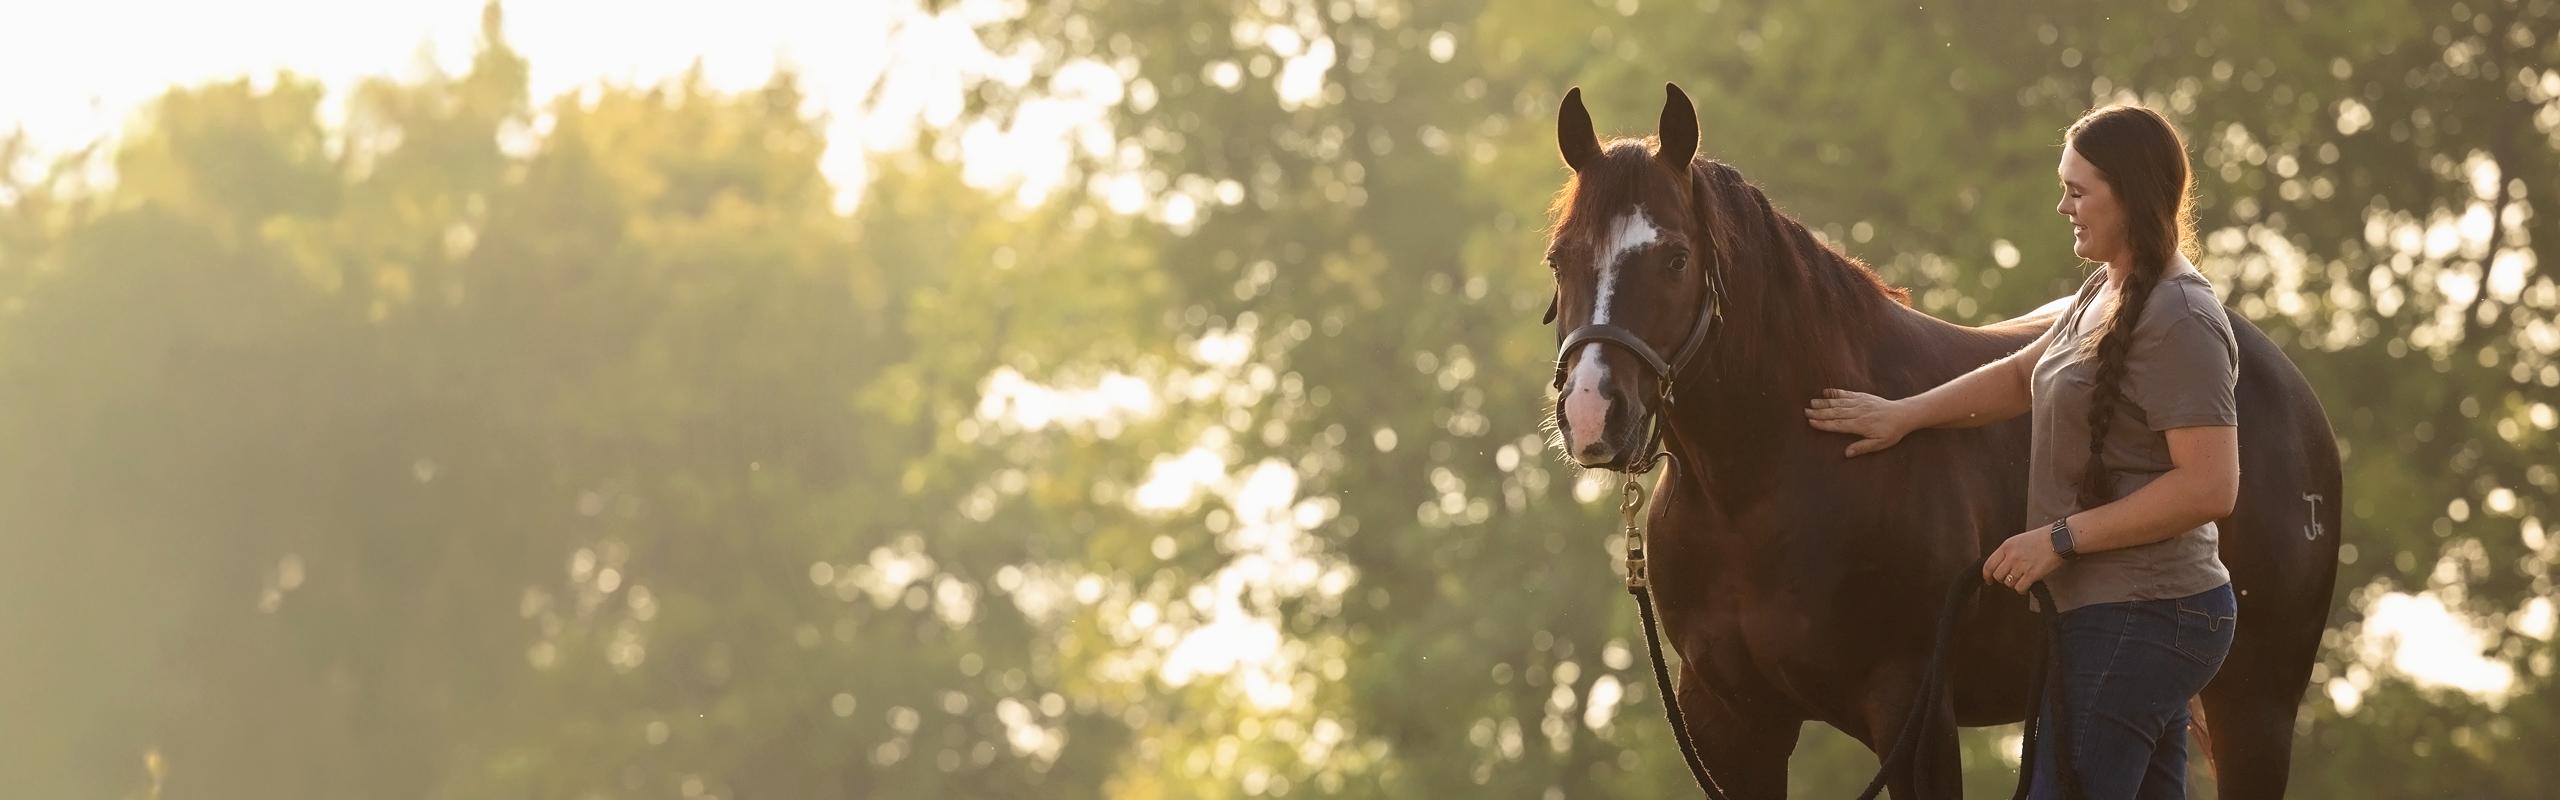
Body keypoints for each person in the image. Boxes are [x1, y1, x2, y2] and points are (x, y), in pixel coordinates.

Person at [1801, 105, 2242, 799]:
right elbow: (2017, 377)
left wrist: (2059, 540)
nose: (2062, 205)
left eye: (2077, 190)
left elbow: (2209, 488)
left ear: (2129, 193)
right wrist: (1902, 417)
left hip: (2146, 614)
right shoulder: (2105, 290)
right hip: (2114, 614)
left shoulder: (2181, 317)